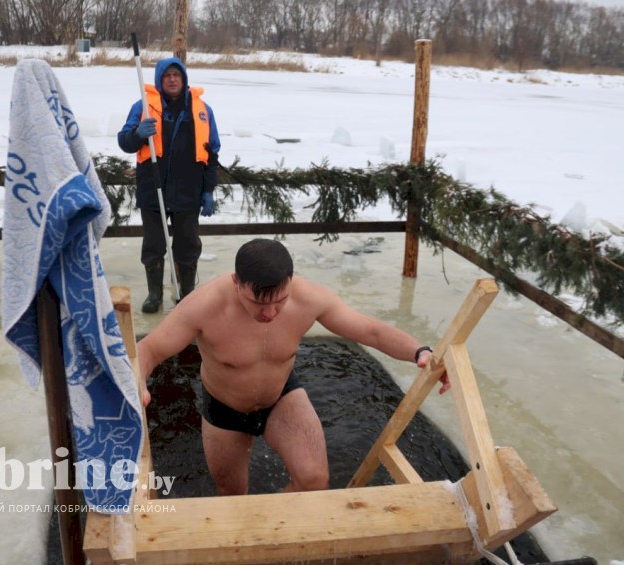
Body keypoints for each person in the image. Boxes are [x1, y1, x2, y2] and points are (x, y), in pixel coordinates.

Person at [137, 238, 449, 496]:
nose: (270, 313)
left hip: (281, 397)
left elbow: (371, 331)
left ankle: (272, 534)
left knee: (313, 481)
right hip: (224, 406)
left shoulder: (308, 298)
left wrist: (419, 351)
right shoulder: (204, 306)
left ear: (290, 283)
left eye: (280, 301)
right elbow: (150, 349)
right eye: (258, 303)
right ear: (236, 283)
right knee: (231, 492)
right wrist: (136, 379)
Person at [118, 57, 220, 313]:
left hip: (189, 191)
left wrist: (208, 190)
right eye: (167, 76)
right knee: (154, 245)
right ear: (159, 81)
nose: (172, 80)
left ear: (183, 79)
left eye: (177, 75)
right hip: (153, 190)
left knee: (187, 245)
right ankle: (155, 294)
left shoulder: (202, 111)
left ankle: (187, 294)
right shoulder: (142, 108)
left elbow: (212, 152)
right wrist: (137, 134)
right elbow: (124, 142)